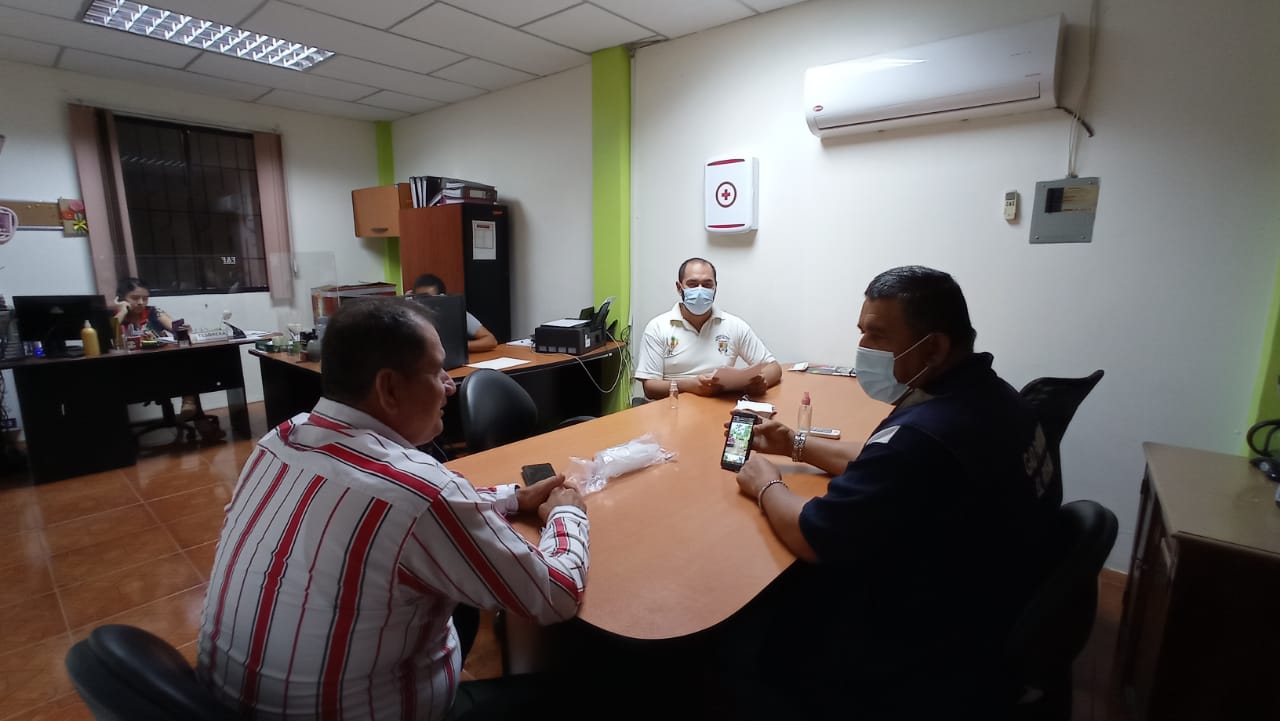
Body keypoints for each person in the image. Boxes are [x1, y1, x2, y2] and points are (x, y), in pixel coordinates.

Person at [196, 296, 589, 721]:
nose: (450, 385)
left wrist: (510, 498)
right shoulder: (421, 490)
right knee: (569, 690)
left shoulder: (278, 441)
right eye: (437, 371)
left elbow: (405, 505)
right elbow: (556, 595)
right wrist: (567, 513)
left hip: (224, 704)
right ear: (389, 388)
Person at [726, 266, 1057, 720]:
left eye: (877, 336)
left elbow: (812, 535)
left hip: (927, 642)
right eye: (862, 332)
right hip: (991, 597)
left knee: (758, 618)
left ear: (934, 347)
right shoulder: (993, 397)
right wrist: (793, 444)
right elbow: (880, 457)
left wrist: (766, 483)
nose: (862, 348)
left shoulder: (927, 434)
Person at [633, 257, 782, 400]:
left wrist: (761, 382)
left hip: (720, 407)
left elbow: (774, 367)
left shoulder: (734, 325)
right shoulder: (657, 327)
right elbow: (650, 388)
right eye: (692, 284)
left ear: (715, 287)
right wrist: (688, 386)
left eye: (707, 284)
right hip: (673, 407)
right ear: (679, 287)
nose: (700, 290)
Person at [114, 277, 224, 441]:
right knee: (187, 373)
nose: (141, 302)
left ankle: (190, 404)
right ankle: (196, 413)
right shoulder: (116, 318)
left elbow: (175, 327)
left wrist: (183, 330)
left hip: (164, 365)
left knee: (188, 360)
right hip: (134, 371)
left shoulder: (153, 312)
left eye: (145, 298)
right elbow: (108, 341)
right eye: (135, 298)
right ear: (122, 298)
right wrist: (121, 311)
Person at [409, 273, 498, 353]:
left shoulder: (456, 313)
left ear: (442, 297)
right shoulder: (411, 316)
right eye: (420, 298)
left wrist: (455, 347)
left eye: (429, 299)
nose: (424, 303)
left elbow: (490, 341)